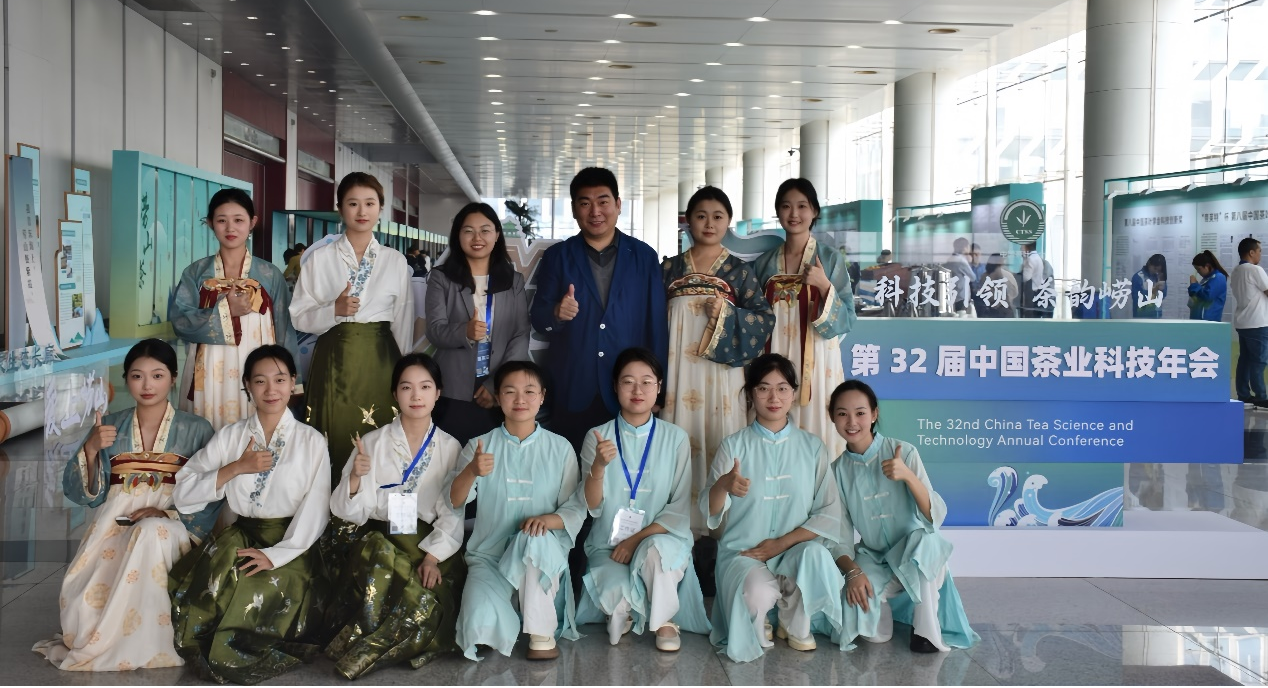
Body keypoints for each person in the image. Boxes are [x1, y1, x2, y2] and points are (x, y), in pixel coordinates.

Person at [33, 339, 217, 672]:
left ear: (174, 378)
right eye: (137, 376)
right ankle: (109, 637)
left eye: (157, 375)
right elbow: (84, 494)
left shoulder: (197, 429)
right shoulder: (109, 426)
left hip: (175, 526)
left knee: (150, 532)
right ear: (126, 379)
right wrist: (91, 449)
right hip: (114, 525)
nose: (147, 385)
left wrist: (167, 513)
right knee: (83, 602)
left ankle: (150, 640)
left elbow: (211, 490)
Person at [169, 345, 331, 685]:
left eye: (280, 379)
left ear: (293, 382)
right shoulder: (231, 437)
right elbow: (182, 492)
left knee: (257, 595)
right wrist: (236, 468)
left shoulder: (311, 441)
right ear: (247, 385)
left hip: (292, 545)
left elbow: (316, 509)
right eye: (260, 381)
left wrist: (275, 556)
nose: (271, 390)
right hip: (241, 537)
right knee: (210, 596)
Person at [323, 353, 466, 679]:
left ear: (438, 392)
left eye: (425, 387)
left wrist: (432, 558)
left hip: (427, 541)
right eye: (406, 387)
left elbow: (453, 511)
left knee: (432, 597)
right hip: (381, 538)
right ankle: (375, 648)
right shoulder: (372, 442)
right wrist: (355, 477)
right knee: (385, 567)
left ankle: (387, 646)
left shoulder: (450, 447)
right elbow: (347, 511)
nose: (416, 396)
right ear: (394, 393)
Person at [701, 353, 845, 663]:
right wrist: (723, 485)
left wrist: (780, 544)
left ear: (793, 393)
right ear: (751, 394)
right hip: (744, 552)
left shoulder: (813, 447)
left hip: (793, 550)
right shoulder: (733, 446)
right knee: (756, 596)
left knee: (817, 556)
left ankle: (793, 623)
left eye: (782, 388)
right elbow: (710, 510)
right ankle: (761, 616)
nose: (774, 397)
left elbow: (828, 512)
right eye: (764, 388)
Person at [826, 380, 978, 654]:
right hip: (874, 558)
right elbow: (840, 534)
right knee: (871, 632)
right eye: (842, 414)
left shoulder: (904, 451)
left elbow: (934, 516)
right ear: (832, 418)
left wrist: (908, 476)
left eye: (860, 413)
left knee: (926, 542)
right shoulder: (836, 472)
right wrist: (853, 572)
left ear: (874, 414)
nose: (852, 422)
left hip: (916, 553)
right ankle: (883, 615)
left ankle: (925, 632)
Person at [449, 361, 585, 661]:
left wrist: (546, 520)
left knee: (534, 537)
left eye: (529, 391)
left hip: (540, 555)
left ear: (542, 396)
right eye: (510, 391)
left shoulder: (560, 448)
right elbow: (454, 501)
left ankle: (541, 634)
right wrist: (471, 471)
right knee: (477, 632)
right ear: (498, 397)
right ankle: (512, 603)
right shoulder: (479, 446)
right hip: (490, 556)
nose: (520, 399)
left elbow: (574, 507)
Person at [576, 348, 710, 652]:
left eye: (647, 382)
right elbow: (592, 505)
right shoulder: (597, 436)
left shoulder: (675, 438)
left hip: (662, 539)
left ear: (659, 387)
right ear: (615, 386)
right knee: (617, 604)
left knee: (655, 554)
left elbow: (678, 508)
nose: (637, 390)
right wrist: (598, 467)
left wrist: (635, 539)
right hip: (610, 546)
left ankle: (664, 622)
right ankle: (631, 608)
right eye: (628, 382)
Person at [660, 186, 774, 536]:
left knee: (722, 437)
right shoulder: (668, 268)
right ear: (688, 222)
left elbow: (764, 320)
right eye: (701, 216)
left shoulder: (739, 271)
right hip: (677, 374)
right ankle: (680, 528)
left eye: (717, 216)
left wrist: (727, 314)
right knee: (678, 440)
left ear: (728, 222)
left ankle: (723, 529)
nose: (709, 223)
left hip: (723, 377)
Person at [530, 167, 668, 451]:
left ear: (618, 204)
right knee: (571, 465)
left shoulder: (643, 256)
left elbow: (656, 326)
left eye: (603, 201)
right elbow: (539, 319)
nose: (595, 211)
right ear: (574, 209)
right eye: (585, 203)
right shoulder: (558, 257)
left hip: (630, 389)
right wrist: (556, 313)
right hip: (573, 386)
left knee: (627, 466)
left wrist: (657, 389)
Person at [290, 172, 413, 478]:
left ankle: (378, 501)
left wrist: (405, 371)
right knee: (335, 434)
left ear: (380, 208)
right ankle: (332, 502)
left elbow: (403, 320)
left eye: (369, 203)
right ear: (340, 208)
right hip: (334, 361)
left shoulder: (395, 260)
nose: (362, 211)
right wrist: (334, 311)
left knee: (382, 434)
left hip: (381, 360)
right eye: (353, 203)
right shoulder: (319, 259)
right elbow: (299, 315)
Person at [169, 189, 297, 430]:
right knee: (209, 430)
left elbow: (284, 330)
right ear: (210, 223)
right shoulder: (196, 273)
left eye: (238, 220)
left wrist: (287, 377)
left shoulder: (269, 275)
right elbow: (180, 322)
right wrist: (226, 311)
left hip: (260, 368)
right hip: (209, 369)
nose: (230, 228)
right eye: (221, 220)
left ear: (252, 222)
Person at [752, 179, 856, 460]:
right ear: (778, 211)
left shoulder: (829, 259)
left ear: (814, 211)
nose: (794, 214)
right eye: (786, 206)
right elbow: (754, 315)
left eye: (802, 206)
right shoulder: (763, 263)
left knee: (816, 421)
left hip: (817, 357)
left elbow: (847, 318)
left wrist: (824, 285)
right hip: (774, 352)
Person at [427, 203, 531, 446]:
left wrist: (498, 383)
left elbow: (520, 333)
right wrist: (464, 331)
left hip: (498, 388)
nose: (477, 238)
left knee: (493, 458)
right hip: (454, 387)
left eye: (485, 230)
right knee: (453, 457)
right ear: (457, 235)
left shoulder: (513, 281)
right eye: (468, 231)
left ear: (496, 235)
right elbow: (434, 330)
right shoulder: (441, 278)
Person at [1231, 238, 1268, 405]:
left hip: (1243, 322)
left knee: (1245, 360)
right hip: (1257, 322)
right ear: (1251, 252)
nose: (1260, 254)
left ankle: (1243, 394)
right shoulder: (1255, 270)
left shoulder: (1236, 270)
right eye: (1259, 251)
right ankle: (1261, 397)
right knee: (1259, 361)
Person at [972, 253, 1019, 319]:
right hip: (1004, 310)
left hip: (991, 310)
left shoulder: (984, 276)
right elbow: (1015, 292)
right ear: (1002, 263)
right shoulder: (1007, 275)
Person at [1188, 250, 1228, 322]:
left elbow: (1207, 296)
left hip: (1209, 321)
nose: (1198, 272)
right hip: (1199, 321)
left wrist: (1194, 285)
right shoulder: (1206, 280)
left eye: (1199, 269)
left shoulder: (1219, 277)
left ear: (1207, 266)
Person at [1018, 242, 1055, 318]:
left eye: (1022, 247)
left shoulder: (1032, 261)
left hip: (1038, 298)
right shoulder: (1035, 260)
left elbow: (1025, 278)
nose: (1020, 250)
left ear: (1027, 248)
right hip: (1037, 298)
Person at [942, 237, 977, 313]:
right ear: (965, 248)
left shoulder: (949, 260)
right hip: (961, 296)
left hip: (950, 296)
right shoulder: (961, 261)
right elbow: (973, 277)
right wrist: (969, 263)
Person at [1131, 253, 1168, 319]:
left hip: (1157, 316)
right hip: (1142, 317)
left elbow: (1163, 295)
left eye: (1159, 270)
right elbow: (1137, 301)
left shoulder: (1158, 276)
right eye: (1155, 268)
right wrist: (1153, 291)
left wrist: (1162, 288)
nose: (1156, 272)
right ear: (1149, 264)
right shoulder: (1138, 277)